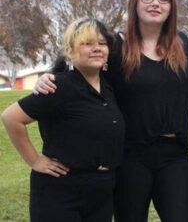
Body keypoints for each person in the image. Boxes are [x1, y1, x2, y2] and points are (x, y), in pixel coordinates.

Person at [33, 0, 188, 222]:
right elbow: (82, 66)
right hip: (131, 156)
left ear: (171, 6)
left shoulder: (182, 44)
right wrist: (47, 76)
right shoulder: (118, 48)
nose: (156, 3)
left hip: (175, 156)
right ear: (135, 2)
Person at [2, 19, 123, 222]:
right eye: (87, 43)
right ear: (70, 51)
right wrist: (34, 160)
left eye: (102, 44)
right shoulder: (58, 87)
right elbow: (11, 118)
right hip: (61, 193)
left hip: (101, 192)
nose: (97, 49)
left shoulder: (109, 88)